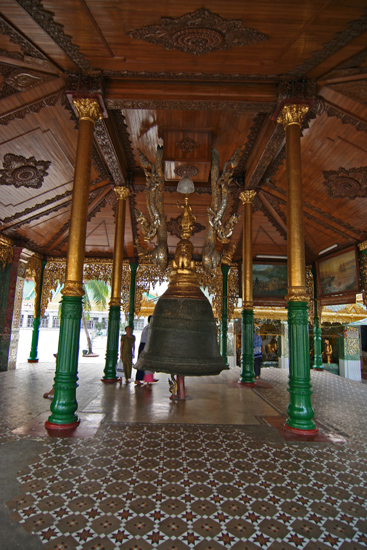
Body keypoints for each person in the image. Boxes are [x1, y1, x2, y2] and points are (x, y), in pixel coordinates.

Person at [135, 315, 151, 387]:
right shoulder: (149, 328)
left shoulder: (146, 327)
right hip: (145, 345)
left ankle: (143, 378)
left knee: (142, 362)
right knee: (146, 363)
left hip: (143, 345)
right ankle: (146, 379)